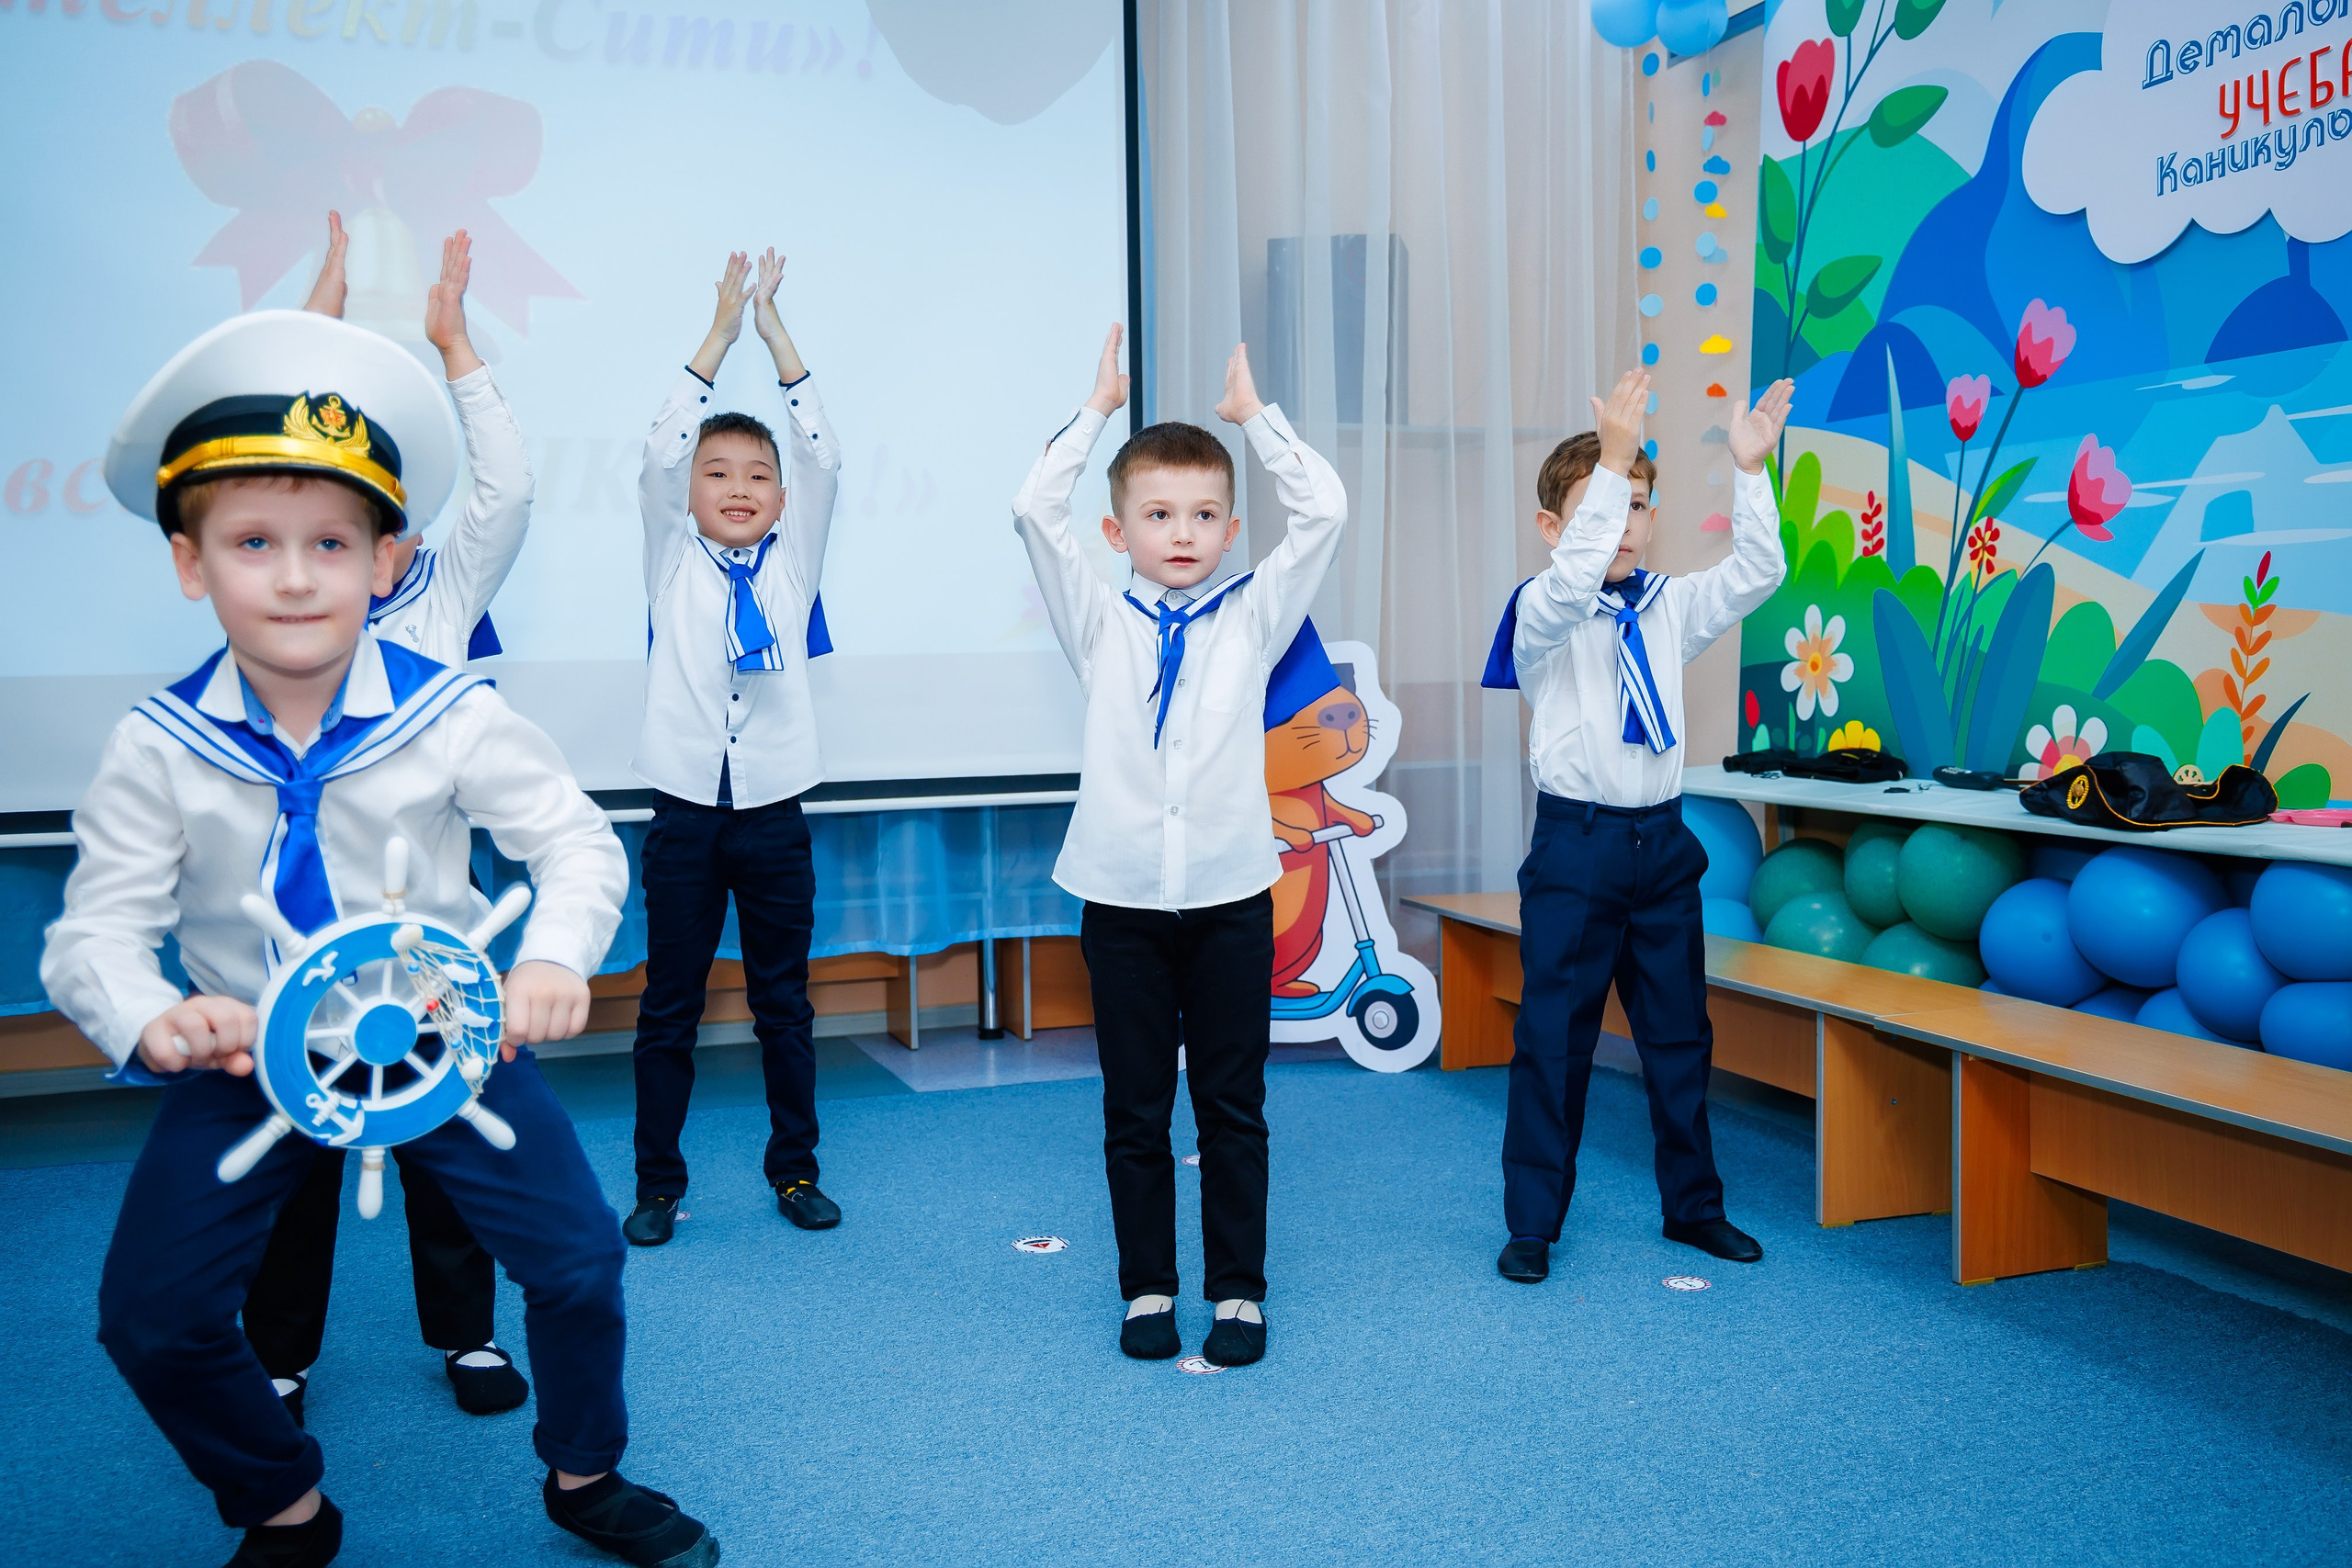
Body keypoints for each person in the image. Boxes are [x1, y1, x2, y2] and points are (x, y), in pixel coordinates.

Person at [45, 308, 716, 1567]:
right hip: (247, 1058)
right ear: (191, 562)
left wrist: (556, 954)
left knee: (576, 1263)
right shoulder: (156, 746)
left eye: (331, 542)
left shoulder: (452, 713)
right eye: (253, 541)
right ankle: (284, 1503)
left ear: (387, 558)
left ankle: (584, 1471)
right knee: (150, 1315)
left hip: (447, 1043)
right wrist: (148, 1012)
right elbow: (96, 929)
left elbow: (573, 842)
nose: (295, 576)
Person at [240, 212, 538, 1427]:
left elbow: (509, 484)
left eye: (369, 519)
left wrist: (454, 345)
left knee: (445, 1148)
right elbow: (253, 463)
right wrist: (311, 324)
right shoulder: (279, 598)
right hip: (291, 950)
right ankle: (279, 1354)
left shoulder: (436, 606)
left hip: (427, 953)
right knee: (295, 1169)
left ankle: (466, 1336)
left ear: (398, 537)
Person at [1012, 325, 1347, 1367]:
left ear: (1232, 528)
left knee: (1232, 1105)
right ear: (1116, 531)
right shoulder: (1097, 620)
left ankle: (1238, 1292)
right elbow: (1032, 507)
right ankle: (1147, 1287)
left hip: (1231, 897)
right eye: (1158, 515)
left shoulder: (1253, 616)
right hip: (1119, 901)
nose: (1183, 532)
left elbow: (1325, 510)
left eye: (1205, 515)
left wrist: (1260, 423)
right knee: (1134, 1109)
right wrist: (1096, 414)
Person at [1480, 369, 1794, 1285]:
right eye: (1602, 510)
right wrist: (1614, 459)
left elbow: (1757, 573)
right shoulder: (1542, 612)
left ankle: (1693, 1209)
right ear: (1553, 528)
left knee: (1678, 1038)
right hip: (1576, 849)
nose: (1624, 526)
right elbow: (1576, 578)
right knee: (1554, 1040)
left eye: (1638, 507)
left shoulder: (1668, 607)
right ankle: (1533, 1224)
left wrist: (1748, 472)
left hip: (1660, 846)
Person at [620, 248, 842, 1247]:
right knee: (668, 1009)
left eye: (759, 475)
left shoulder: (793, 558)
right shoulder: (670, 554)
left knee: (782, 1007)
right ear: (694, 493)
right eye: (719, 473)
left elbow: (825, 455)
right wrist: (718, 334)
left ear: (781, 499)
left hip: (774, 814)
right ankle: (658, 1184)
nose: (740, 487)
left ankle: (793, 1171)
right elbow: (659, 450)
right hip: (681, 815)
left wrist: (777, 340)